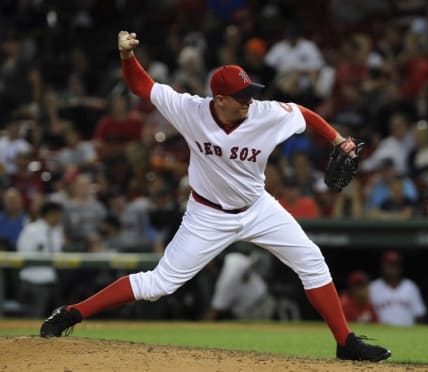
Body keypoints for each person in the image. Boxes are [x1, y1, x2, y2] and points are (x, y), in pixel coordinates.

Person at [39, 31, 391, 362]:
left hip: (258, 208)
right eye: (242, 97)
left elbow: (304, 114)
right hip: (207, 215)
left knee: (312, 260)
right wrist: (127, 55)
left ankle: (345, 343)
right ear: (219, 99)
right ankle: (72, 313)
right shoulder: (190, 110)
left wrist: (337, 139)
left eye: (250, 93)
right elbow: (141, 86)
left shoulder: (265, 114)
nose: (249, 101)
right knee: (159, 284)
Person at [17, 201, 64, 317]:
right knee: (32, 319)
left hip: (51, 281)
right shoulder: (31, 230)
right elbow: (22, 254)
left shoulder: (57, 231)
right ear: (51, 214)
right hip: (32, 281)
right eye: (58, 215)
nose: (60, 218)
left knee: (52, 320)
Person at [203, 252, 275, 321]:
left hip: (254, 310)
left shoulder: (226, 280)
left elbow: (215, 309)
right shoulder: (233, 257)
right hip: (266, 298)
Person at [369, 251, 427, 326]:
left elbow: (420, 314)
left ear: (400, 267)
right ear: (382, 266)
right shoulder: (373, 287)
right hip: (381, 334)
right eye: (389, 264)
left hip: (407, 334)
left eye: (395, 264)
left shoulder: (410, 286)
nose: (393, 268)